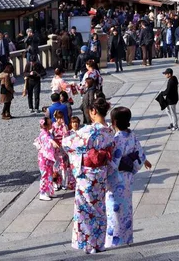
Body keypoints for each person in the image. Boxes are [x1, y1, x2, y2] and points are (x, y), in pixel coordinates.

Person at [62, 98, 115, 254]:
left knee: (86, 209)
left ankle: (89, 245)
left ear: (93, 111)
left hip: (87, 174)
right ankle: (100, 243)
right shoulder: (110, 131)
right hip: (102, 173)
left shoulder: (89, 131)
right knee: (100, 208)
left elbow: (67, 143)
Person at [105, 107, 151, 248]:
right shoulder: (132, 135)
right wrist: (144, 161)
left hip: (116, 178)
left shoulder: (116, 140)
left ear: (114, 122)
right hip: (128, 178)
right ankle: (127, 238)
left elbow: (114, 162)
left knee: (114, 208)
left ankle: (114, 240)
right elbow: (139, 154)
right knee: (127, 207)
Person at [34, 117, 58, 201]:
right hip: (44, 158)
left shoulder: (48, 132)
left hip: (48, 158)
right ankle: (42, 193)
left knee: (49, 175)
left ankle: (49, 192)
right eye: (50, 123)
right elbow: (48, 140)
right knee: (44, 175)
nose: (52, 124)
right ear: (46, 126)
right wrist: (52, 142)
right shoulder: (44, 134)